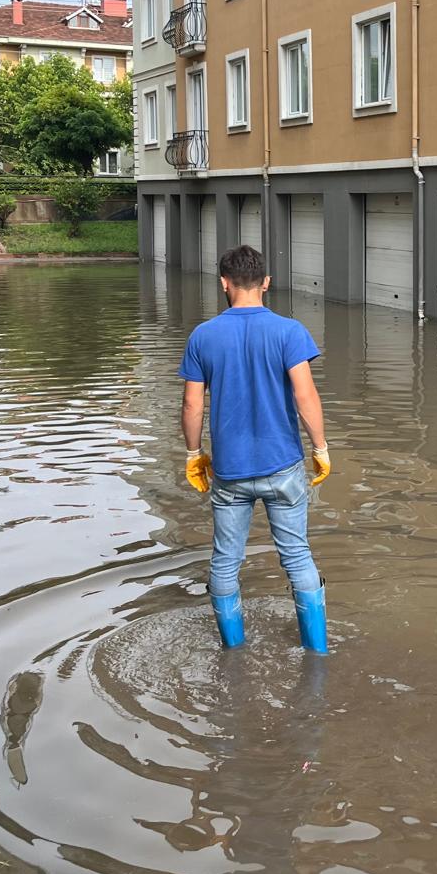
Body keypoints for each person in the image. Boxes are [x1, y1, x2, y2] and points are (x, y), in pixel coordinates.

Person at [179, 245, 333, 653]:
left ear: (224, 283)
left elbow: (193, 404)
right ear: (266, 283)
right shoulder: (290, 331)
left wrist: (194, 455)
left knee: (226, 561)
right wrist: (321, 448)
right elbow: (306, 397)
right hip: (283, 466)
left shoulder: (203, 336)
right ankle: (317, 652)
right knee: (297, 556)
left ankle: (233, 651)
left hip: (229, 473)